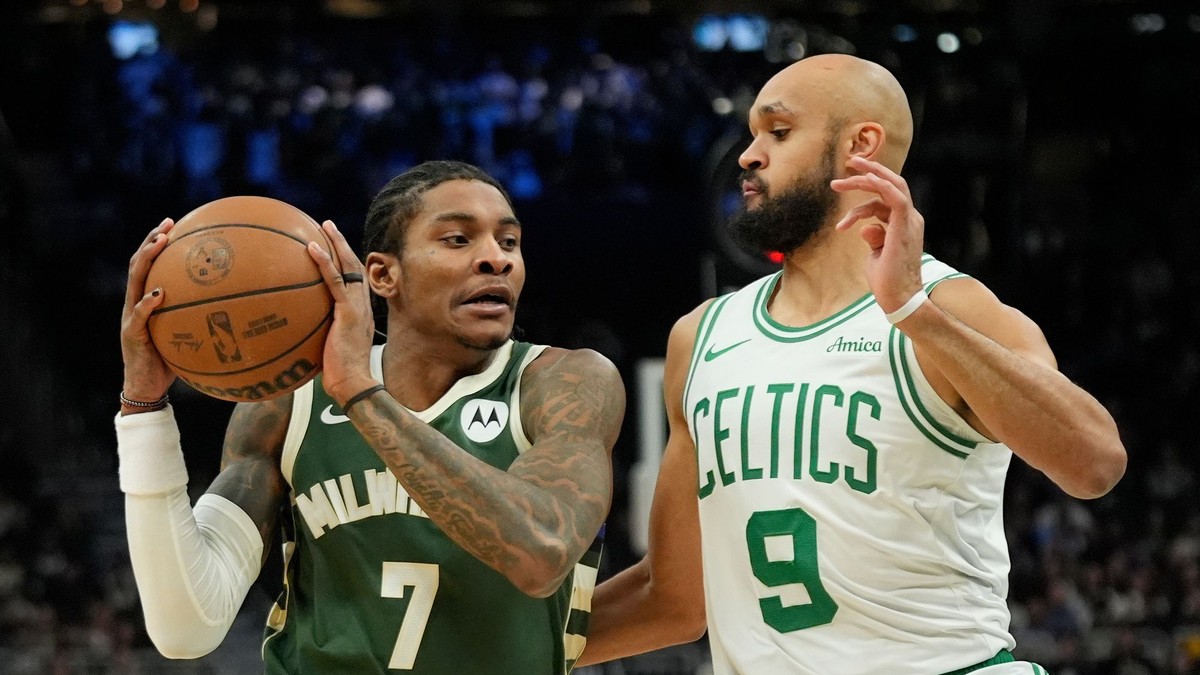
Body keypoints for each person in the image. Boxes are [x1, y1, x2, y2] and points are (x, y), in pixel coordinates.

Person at [579, 54, 1127, 674]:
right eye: (754, 134)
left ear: (859, 146)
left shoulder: (952, 308)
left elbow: (1094, 460)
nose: (748, 155)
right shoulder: (700, 338)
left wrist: (913, 312)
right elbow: (674, 597)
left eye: (778, 133)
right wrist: (504, 646)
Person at [116, 160, 625, 674]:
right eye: (458, 239)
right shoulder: (291, 402)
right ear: (383, 274)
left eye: (509, 242)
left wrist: (360, 392)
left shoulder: (563, 382)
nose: (497, 259)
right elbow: (185, 627)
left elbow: (541, 554)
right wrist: (143, 409)